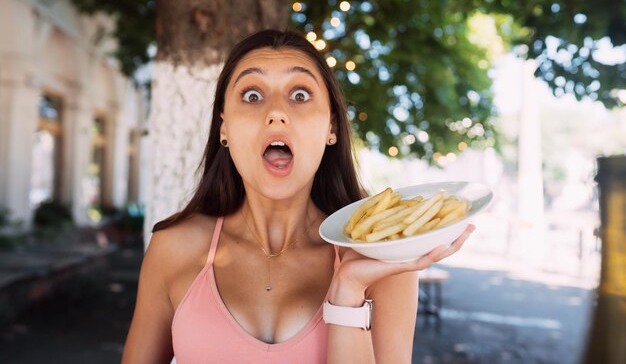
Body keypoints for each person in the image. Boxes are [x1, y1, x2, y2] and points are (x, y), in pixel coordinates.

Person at [121, 29, 475, 364]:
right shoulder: (172, 249)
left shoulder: (381, 262)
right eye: (252, 95)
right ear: (224, 127)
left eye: (300, 95)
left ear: (331, 128)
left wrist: (349, 292)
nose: (276, 112)